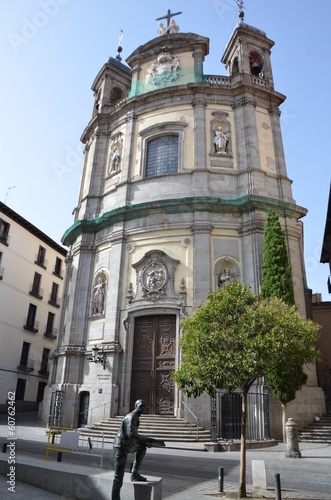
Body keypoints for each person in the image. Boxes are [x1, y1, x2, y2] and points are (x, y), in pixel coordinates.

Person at [111, 400, 165, 500]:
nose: (143, 408)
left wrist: (145, 442)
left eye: (144, 406)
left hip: (127, 444)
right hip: (120, 446)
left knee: (142, 448)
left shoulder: (135, 416)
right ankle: (115, 498)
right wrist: (146, 440)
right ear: (136, 406)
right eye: (141, 406)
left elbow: (132, 436)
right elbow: (131, 434)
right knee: (118, 477)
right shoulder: (132, 416)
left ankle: (135, 473)